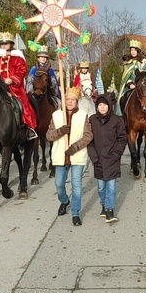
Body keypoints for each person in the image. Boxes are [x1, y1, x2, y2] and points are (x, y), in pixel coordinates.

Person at [46, 86, 92, 226]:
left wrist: (75, 147)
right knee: (59, 183)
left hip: (76, 155)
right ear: (64, 101)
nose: (70, 102)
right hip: (61, 155)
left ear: (77, 101)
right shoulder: (57, 115)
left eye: (72, 99)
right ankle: (65, 201)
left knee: (76, 185)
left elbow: (88, 136)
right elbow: (49, 135)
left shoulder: (83, 115)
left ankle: (76, 213)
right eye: (67, 99)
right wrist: (60, 131)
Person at [0, 31, 37, 140]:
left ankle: (27, 128)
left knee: (23, 105)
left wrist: (12, 79)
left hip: (13, 88)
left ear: (11, 44)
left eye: (6, 43)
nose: (4, 46)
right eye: (2, 44)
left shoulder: (18, 57)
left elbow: (22, 70)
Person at [87, 94, 127, 223]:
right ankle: (103, 205)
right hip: (98, 159)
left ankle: (110, 210)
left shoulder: (117, 120)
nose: (102, 107)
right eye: (100, 105)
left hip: (112, 159)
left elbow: (122, 139)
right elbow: (90, 142)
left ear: (109, 106)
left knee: (111, 186)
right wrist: (94, 159)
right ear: (97, 107)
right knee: (100, 187)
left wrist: (116, 154)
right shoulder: (92, 120)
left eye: (104, 105)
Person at [116, 40, 146, 118]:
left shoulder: (144, 62)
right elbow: (125, 77)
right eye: (131, 50)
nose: (133, 52)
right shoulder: (127, 63)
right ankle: (122, 117)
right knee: (122, 97)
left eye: (135, 50)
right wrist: (130, 84)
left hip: (142, 84)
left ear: (138, 51)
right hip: (131, 85)